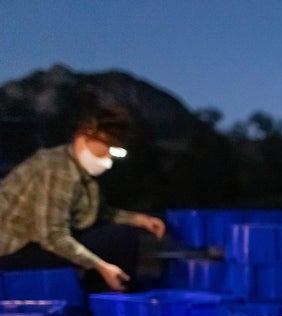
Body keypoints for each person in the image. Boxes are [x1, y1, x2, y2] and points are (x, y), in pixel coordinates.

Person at [0, 106, 165, 292]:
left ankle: (105, 298)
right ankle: (111, 301)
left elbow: (98, 214)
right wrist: (100, 265)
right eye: (105, 150)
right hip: (12, 252)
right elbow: (52, 236)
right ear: (83, 137)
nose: (108, 158)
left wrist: (139, 220)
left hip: (37, 241)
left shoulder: (79, 169)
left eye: (113, 151)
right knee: (118, 240)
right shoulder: (58, 170)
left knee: (122, 235)